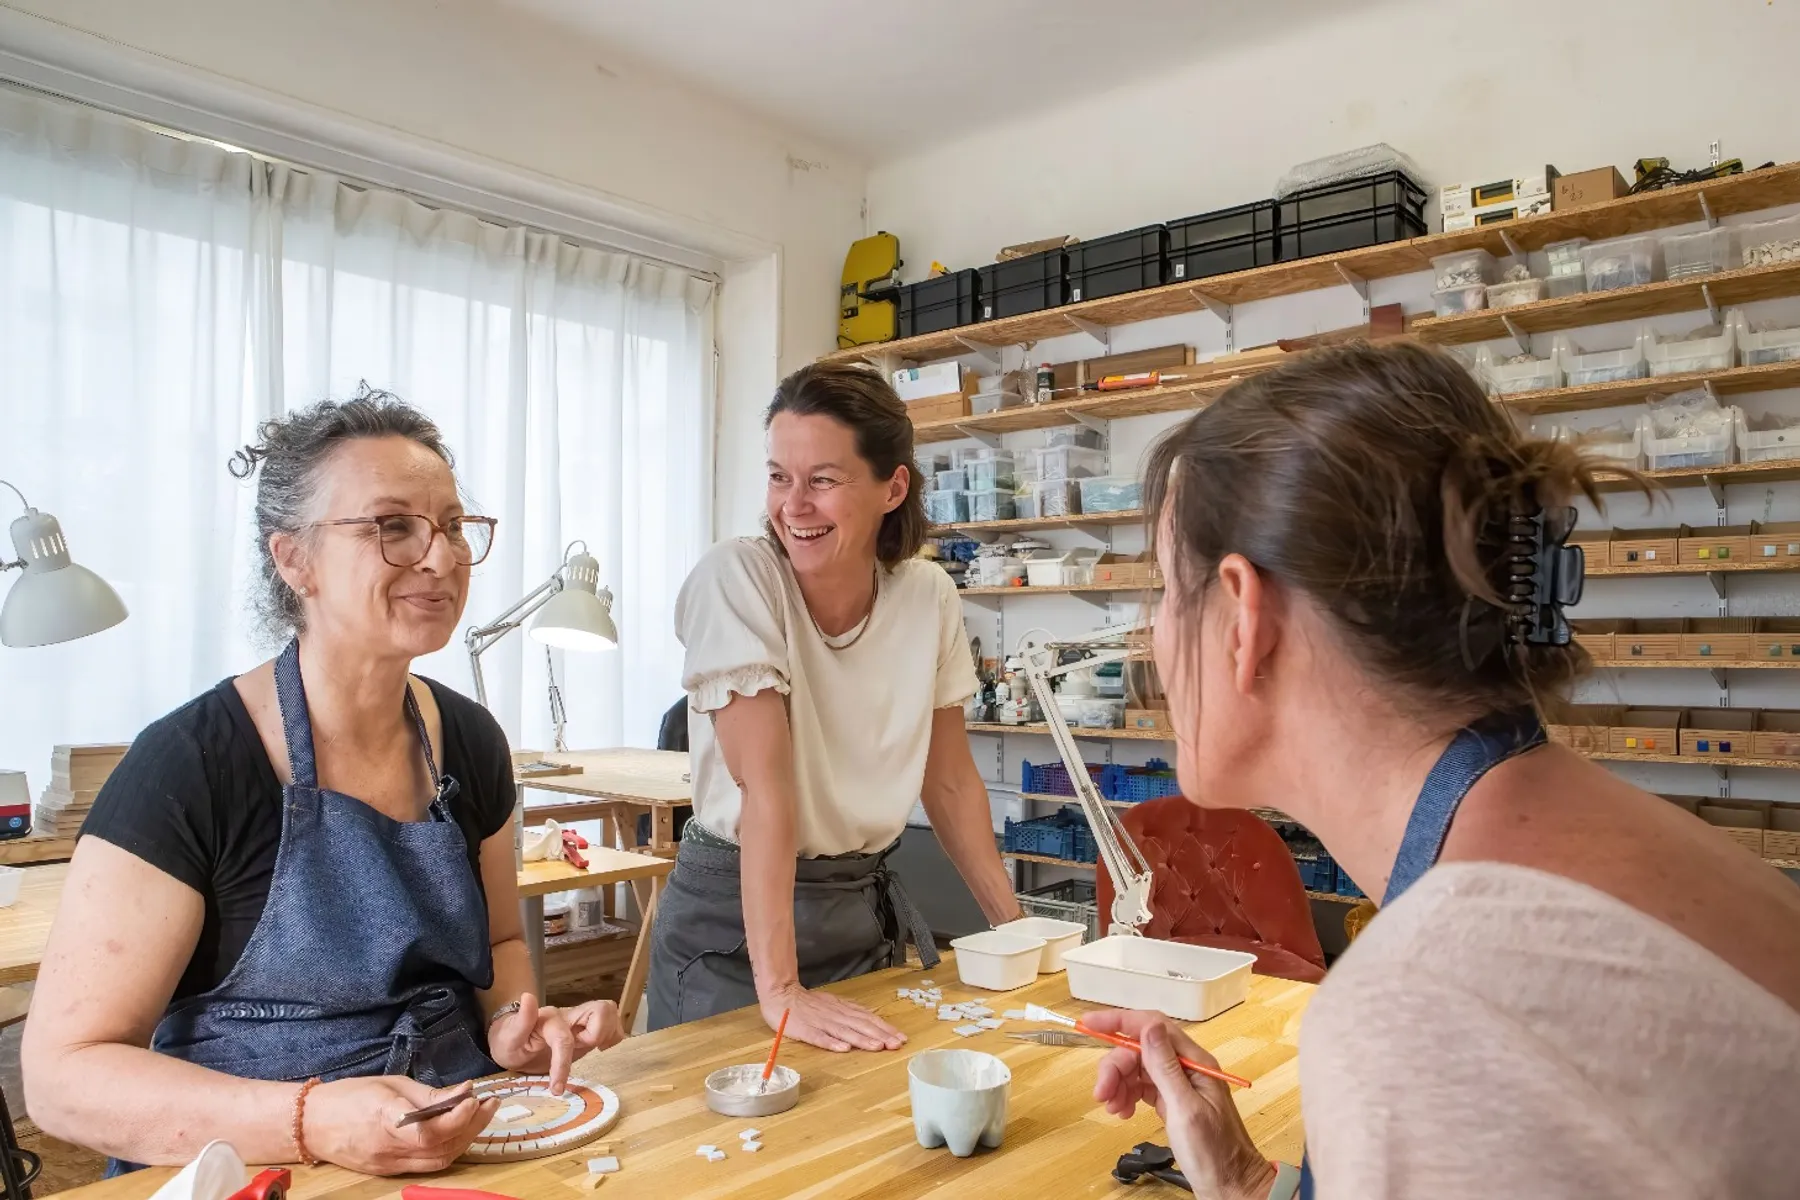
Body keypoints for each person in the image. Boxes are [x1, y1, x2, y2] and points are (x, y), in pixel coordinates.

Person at [1087, 343, 1800, 1200]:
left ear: (1244, 617)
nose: (1156, 638)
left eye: (1166, 591)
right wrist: (1244, 1180)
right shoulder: (1632, 843)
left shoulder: (1429, 1005)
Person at [23, 390, 625, 1175]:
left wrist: (514, 1022)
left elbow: (503, 943)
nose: (440, 558)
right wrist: (310, 1121)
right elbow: (63, 1077)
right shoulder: (193, 764)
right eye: (392, 527)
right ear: (294, 560)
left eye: (450, 525)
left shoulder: (472, 742)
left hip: (453, 1139)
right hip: (250, 1166)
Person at [648, 362, 1024, 1051]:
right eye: (778, 477)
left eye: (822, 480)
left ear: (893, 487)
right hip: (734, 932)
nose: (793, 505)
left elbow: (949, 781)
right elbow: (765, 787)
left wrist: (1015, 929)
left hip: (857, 915)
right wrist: (781, 990)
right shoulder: (735, 577)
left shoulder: (928, 595)